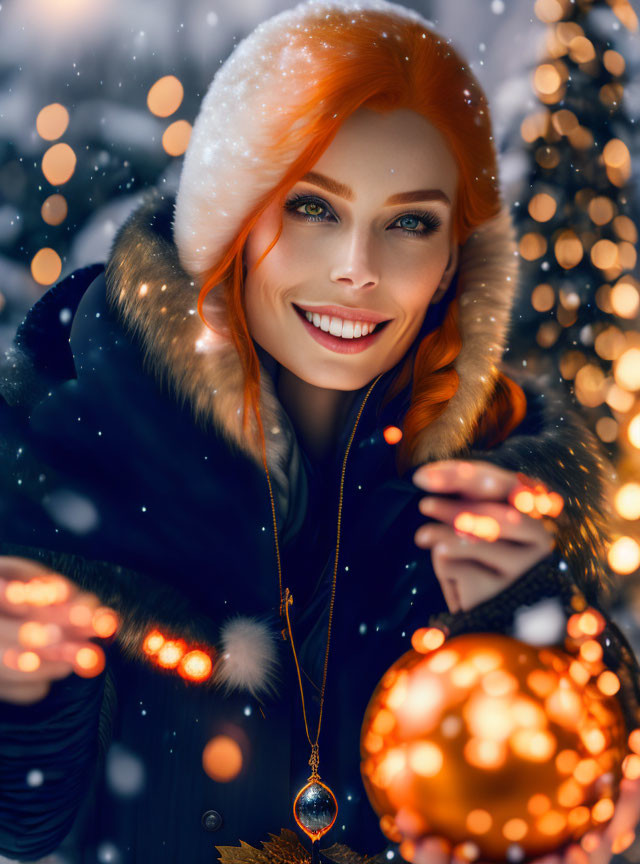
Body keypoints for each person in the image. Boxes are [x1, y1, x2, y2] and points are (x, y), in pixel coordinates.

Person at [1, 1, 639, 862]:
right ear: (229, 216)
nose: (357, 270)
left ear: (458, 255)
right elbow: (24, 826)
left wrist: (529, 630)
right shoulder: (60, 450)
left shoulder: (507, 483)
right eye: (312, 207)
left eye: (409, 222)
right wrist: (25, 695)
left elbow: (560, 817)